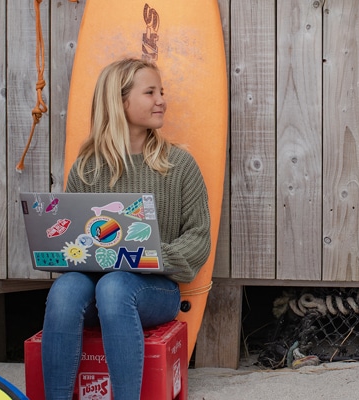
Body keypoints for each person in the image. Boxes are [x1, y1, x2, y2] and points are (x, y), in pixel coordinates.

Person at [41, 58, 211, 400]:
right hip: (95, 288)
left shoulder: (178, 164)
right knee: (66, 289)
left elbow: (198, 238)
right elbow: (75, 242)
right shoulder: (87, 169)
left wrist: (147, 255)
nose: (161, 99)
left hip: (155, 291)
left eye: (161, 91)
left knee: (116, 286)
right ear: (120, 102)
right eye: (150, 92)